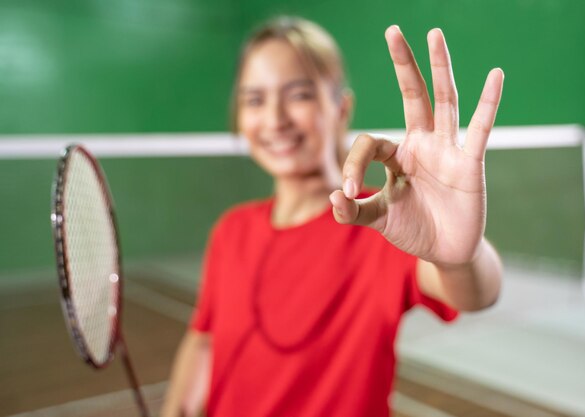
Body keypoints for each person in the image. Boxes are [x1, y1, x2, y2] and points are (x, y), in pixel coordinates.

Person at [161, 16, 503, 417]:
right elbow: (205, 340)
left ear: (342, 107)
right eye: (254, 100)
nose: (274, 119)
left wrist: (459, 255)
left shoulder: (385, 220)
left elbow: (478, 293)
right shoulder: (230, 230)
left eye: (299, 95)